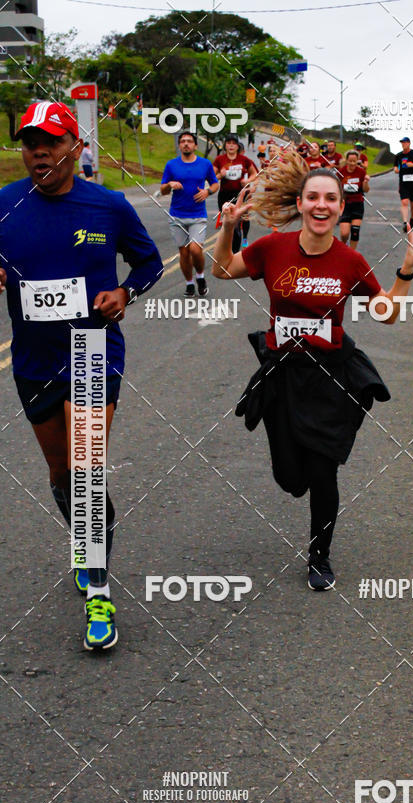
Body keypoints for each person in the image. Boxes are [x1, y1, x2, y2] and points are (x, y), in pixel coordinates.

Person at [211, 157, 413, 591]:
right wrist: (229, 227)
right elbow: (221, 269)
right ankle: (304, 475)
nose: (322, 205)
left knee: (324, 473)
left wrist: (406, 269)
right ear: (301, 202)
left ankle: (319, 555)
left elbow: (384, 313)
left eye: (331, 198)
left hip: (330, 377)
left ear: (341, 205)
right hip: (283, 375)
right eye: (314, 197)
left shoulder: (349, 260)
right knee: (292, 479)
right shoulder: (273, 248)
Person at [1, 101, 162, 648]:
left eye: (49, 141)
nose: (38, 151)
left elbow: (148, 263)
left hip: (91, 348)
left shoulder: (109, 206)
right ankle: (86, 543)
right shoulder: (4, 204)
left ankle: (98, 589)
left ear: (75, 145)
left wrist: (125, 292)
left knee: (87, 472)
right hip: (31, 359)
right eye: (29, 142)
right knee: (61, 473)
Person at [161, 131, 219, 298]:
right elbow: (163, 190)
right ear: (179, 146)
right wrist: (170, 184)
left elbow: (215, 184)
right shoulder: (171, 165)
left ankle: (200, 276)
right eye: (183, 141)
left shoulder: (205, 164)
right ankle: (189, 283)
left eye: (189, 141)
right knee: (184, 252)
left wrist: (208, 192)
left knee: (195, 249)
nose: (186, 144)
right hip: (177, 215)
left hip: (197, 215)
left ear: (195, 145)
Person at [213, 133, 258, 251]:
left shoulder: (244, 160)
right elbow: (211, 177)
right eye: (229, 143)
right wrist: (219, 175)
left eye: (234, 143)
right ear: (225, 145)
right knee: (227, 224)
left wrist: (248, 180)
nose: (231, 146)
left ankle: (234, 253)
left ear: (238, 146)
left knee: (237, 225)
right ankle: (226, 249)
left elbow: (255, 174)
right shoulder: (220, 159)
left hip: (239, 195)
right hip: (224, 195)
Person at [338, 150, 370, 249]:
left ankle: (352, 253)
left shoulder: (361, 172)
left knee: (355, 231)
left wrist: (365, 182)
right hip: (345, 204)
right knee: (344, 233)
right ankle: (343, 247)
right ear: (346, 160)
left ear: (357, 161)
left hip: (357, 203)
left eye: (354, 161)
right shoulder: (341, 172)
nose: (352, 163)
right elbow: (337, 187)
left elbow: (366, 190)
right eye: (350, 161)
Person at [394, 136, 413, 233]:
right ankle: (404, 222)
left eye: (405, 142)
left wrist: (412, 165)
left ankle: (411, 218)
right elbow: (395, 167)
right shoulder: (398, 156)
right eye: (402, 143)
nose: (403, 144)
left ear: (409, 143)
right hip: (403, 182)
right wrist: (396, 170)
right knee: (404, 202)